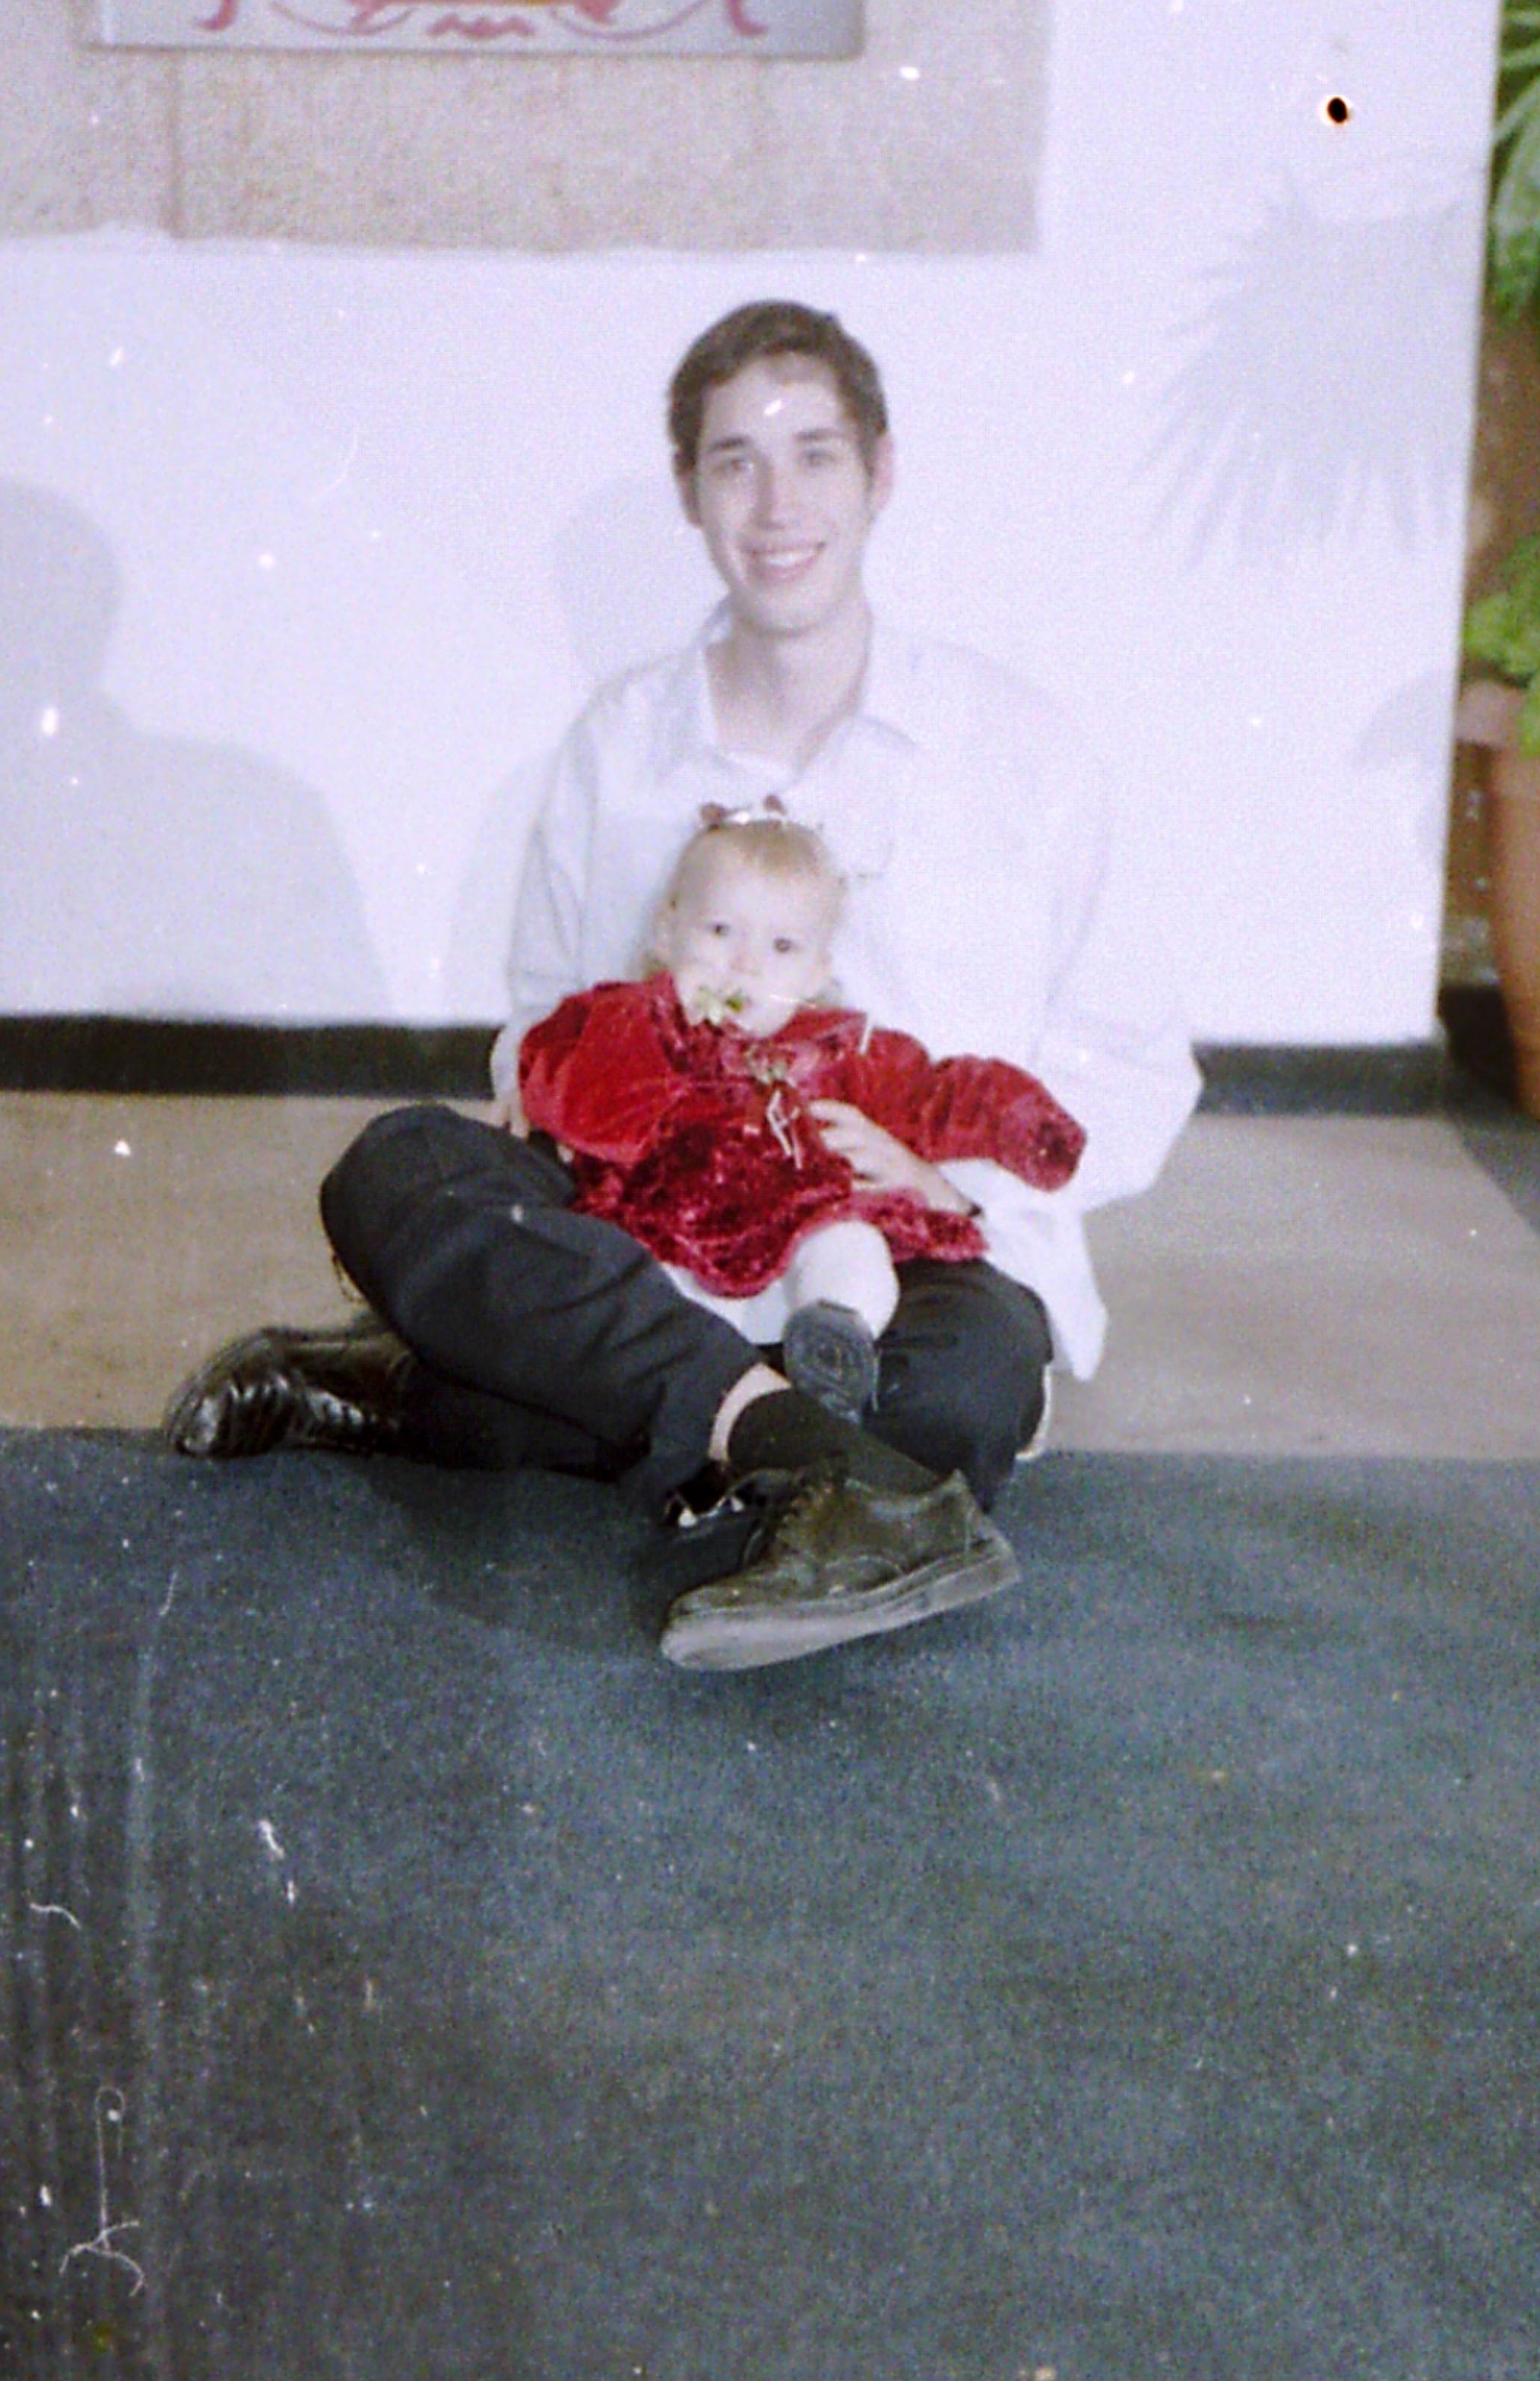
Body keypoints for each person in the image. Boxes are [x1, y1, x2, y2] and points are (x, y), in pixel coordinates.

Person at [165, 299, 1198, 1669]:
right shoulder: (622, 744)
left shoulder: (1017, 747)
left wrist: (950, 1185)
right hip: (654, 1231)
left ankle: (432, 1389)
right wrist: (575, 1101)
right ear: (690, 491)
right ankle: (801, 1459)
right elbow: (542, 1021)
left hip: (905, 1257)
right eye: (735, 461)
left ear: (880, 473)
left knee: (949, 1402)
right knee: (399, 1169)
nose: (778, 506)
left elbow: (1133, 1058)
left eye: (815, 455)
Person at [516, 799, 1085, 1426]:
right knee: (628, 1273)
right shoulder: (626, 1019)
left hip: (801, 1233)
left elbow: (939, 1094)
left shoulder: (843, 1048)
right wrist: (656, 1015)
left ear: (817, 973)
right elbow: (575, 1097)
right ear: (667, 931)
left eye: (782, 946)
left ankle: (834, 1337)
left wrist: (1021, 1123)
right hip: (669, 1235)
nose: (745, 964)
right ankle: (680, 1377)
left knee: (851, 1243)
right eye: (719, 932)